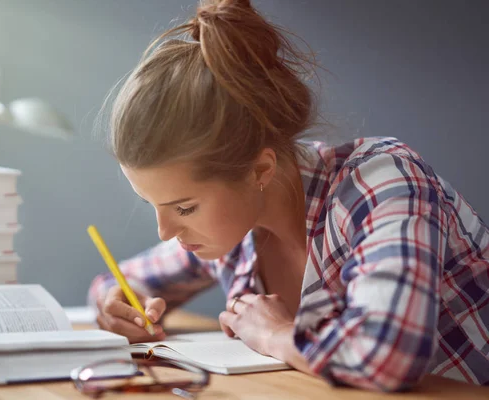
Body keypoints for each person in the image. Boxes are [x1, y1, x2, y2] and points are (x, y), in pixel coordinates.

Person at [88, 0, 489, 391]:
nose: (165, 230)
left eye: (184, 207)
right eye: (153, 205)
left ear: (260, 170)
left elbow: (385, 355)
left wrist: (278, 335)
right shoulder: (233, 230)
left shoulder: (382, 183)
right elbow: (119, 280)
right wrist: (122, 303)